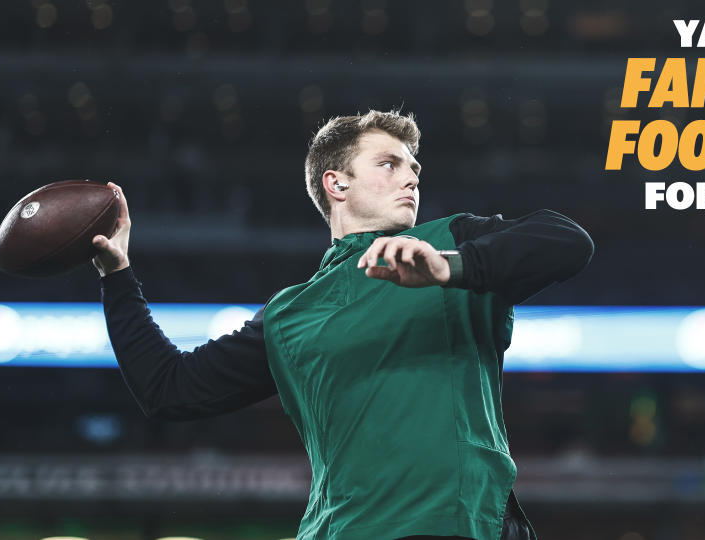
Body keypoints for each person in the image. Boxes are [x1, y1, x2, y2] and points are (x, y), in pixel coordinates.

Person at [92, 110, 594, 540]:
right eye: (389, 163)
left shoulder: (451, 241)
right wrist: (118, 276)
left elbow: (567, 240)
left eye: (414, 168)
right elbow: (169, 389)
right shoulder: (290, 314)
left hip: (454, 524)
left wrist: (452, 266)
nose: (412, 177)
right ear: (337, 183)